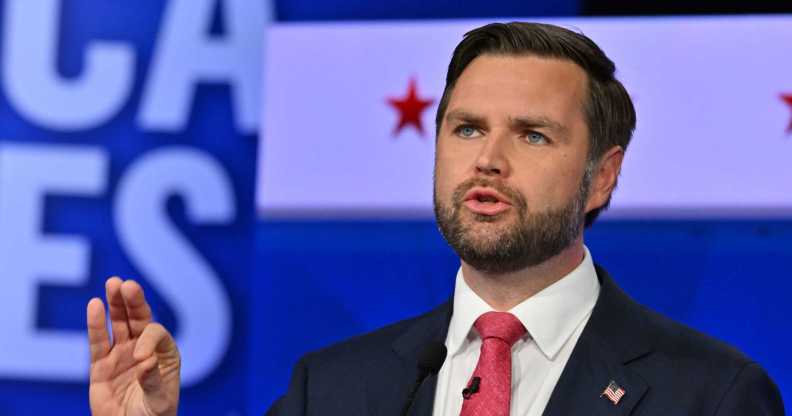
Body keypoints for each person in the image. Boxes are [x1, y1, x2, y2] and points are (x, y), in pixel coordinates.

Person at [86, 22, 784, 416]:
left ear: (603, 175)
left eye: (533, 135)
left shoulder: (713, 395)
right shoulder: (331, 391)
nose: (488, 160)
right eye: (467, 129)